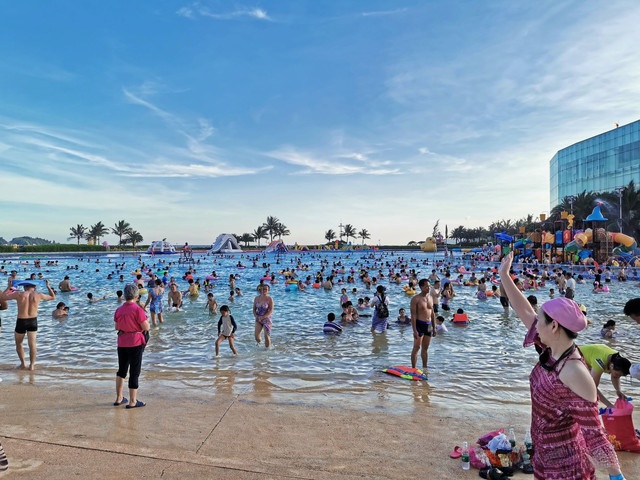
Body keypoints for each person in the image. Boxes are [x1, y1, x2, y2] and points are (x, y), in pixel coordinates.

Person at [498, 252, 624, 479]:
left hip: (567, 469)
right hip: (544, 459)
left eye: (540, 319)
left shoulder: (574, 371)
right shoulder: (551, 350)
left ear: (554, 326)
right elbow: (524, 310)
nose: (535, 323)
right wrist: (504, 276)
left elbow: (595, 434)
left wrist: (616, 475)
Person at [0, 280, 55, 370]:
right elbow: (53, 297)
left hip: (21, 320)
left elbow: (3, 297)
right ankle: (32, 365)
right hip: (33, 321)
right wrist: (48, 286)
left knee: (19, 344)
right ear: (35, 287)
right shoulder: (39, 295)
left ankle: (23, 364)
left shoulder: (18, 294)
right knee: (32, 344)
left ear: (24, 287)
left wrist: (9, 286)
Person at [114, 284, 150, 409]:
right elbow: (146, 327)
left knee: (122, 370)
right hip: (135, 342)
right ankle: (132, 401)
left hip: (122, 342)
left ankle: (119, 398)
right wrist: (147, 321)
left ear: (124, 295)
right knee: (134, 371)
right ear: (136, 296)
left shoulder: (119, 310)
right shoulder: (137, 309)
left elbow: (117, 327)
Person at [579, 344, 632, 408]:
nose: (617, 376)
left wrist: (618, 390)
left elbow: (615, 377)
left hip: (591, 356)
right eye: (617, 374)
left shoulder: (617, 359)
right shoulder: (600, 363)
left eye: (620, 376)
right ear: (611, 366)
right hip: (575, 358)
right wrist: (609, 405)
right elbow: (592, 388)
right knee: (587, 388)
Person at [410, 279, 436, 370]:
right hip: (419, 324)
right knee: (416, 347)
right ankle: (413, 368)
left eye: (429, 286)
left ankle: (425, 368)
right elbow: (413, 315)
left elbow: (432, 313)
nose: (428, 288)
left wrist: (434, 327)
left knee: (425, 349)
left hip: (428, 325)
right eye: (426, 286)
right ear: (421, 287)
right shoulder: (415, 299)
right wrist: (414, 330)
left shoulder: (431, 298)